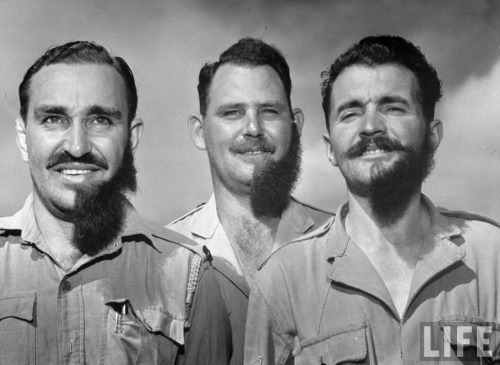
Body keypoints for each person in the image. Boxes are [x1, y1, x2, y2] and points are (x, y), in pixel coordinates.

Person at [244, 35, 500, 364]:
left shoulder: (492, 259)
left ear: (432, 135)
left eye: (393, 107)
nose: (370, 127)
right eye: (350, 114)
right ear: (329, 148)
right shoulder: (283, 280)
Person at [0, 41, 230, 364]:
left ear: (131, 138)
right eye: (53, 119)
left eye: (100, 120)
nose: (77, 146)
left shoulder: (190, 279)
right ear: (24, 138)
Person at [168, 37, 332, 364]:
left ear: (295, 125)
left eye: (269, 111)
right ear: (200, 132)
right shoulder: (165, 259)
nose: (253, 128)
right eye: (233, 112)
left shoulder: (344, 241)